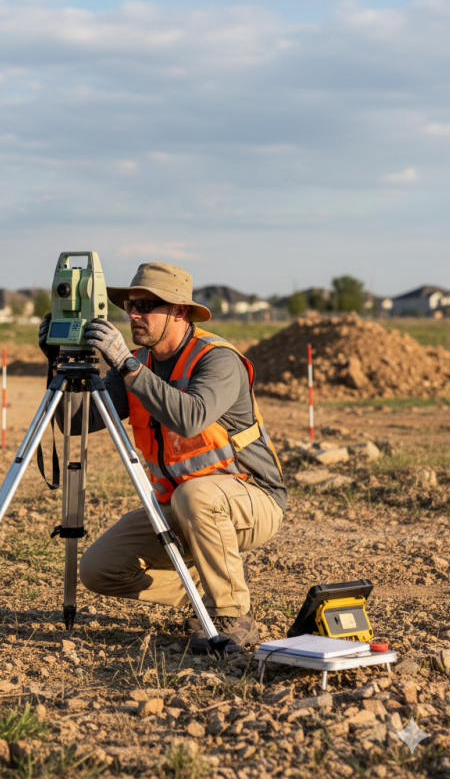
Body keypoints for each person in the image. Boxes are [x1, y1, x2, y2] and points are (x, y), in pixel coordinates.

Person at [38, 263, 286, 651]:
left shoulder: (217, 360)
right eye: (131, 305)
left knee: (196, 496)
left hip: (251, 500)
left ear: (180, 311)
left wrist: (126, 363)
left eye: (147, 305)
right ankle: (208, 588)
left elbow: (190, 419)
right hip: (180, 506)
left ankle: (231, 614)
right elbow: (74, 422)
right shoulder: (137, 364)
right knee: (99, 570)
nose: (134, 314)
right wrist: (57, 360)